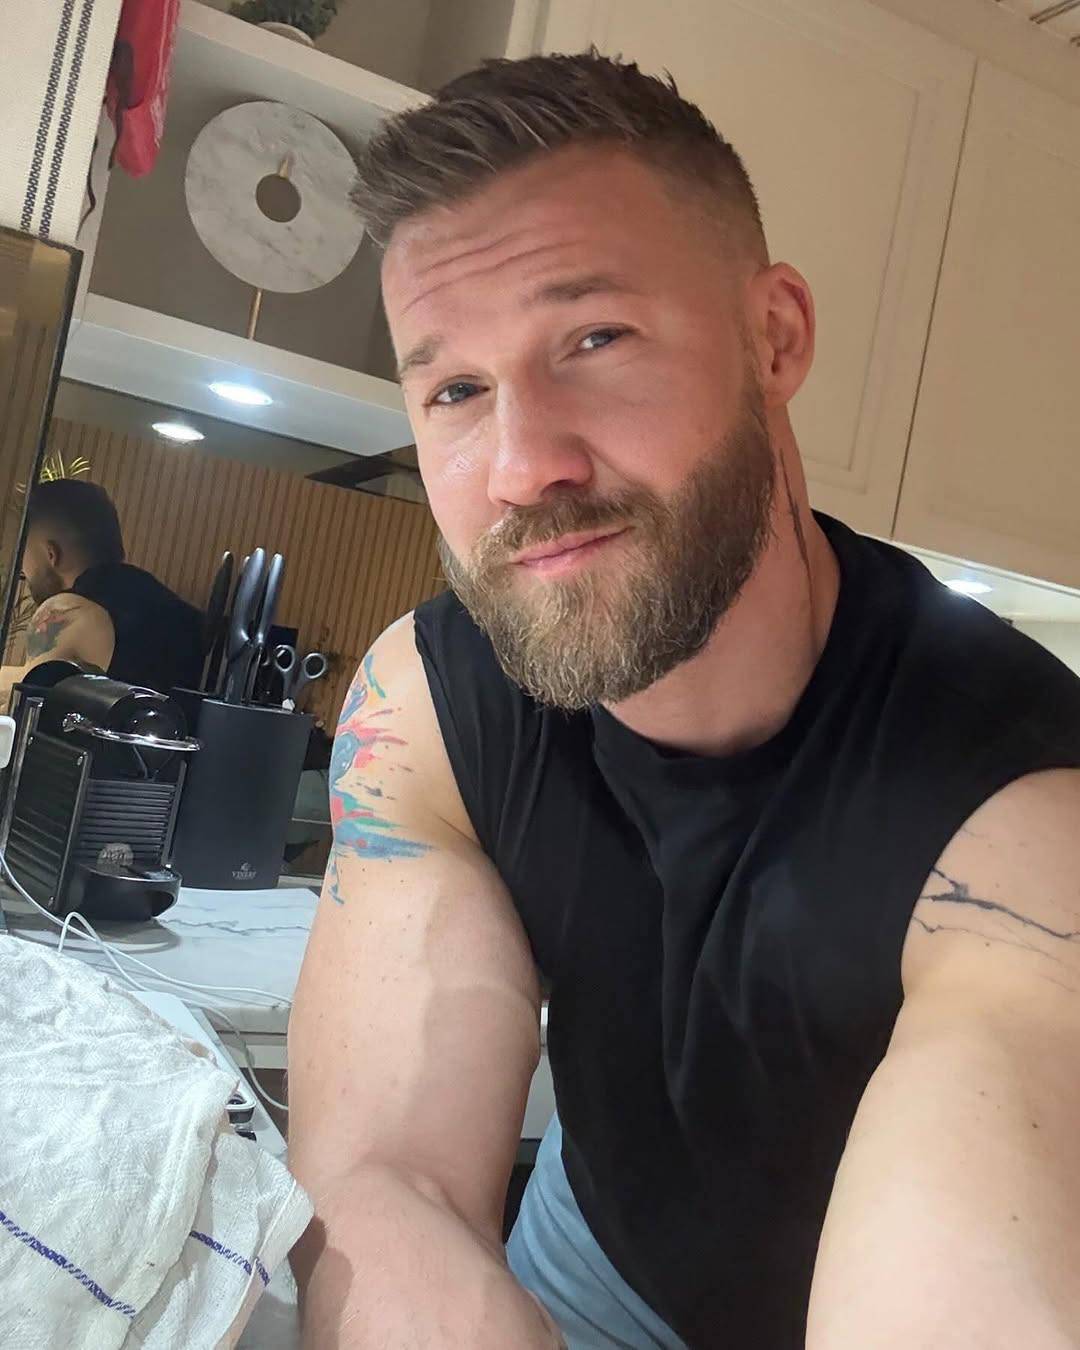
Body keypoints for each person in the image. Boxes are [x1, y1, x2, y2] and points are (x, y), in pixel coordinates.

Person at [287, 52, 1080, 1350]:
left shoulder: (1020, 808)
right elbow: (387, 1176)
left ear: (776, 337)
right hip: (595, 1245)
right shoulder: (432, 698)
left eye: (594, 339)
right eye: (456, 390)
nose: (522, 466)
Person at [0, 478, 204, 707]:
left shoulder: (67, 609)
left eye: (24, 554)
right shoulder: (150, 596)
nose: (22, 570)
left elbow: (21, 699)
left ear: (51, 554)